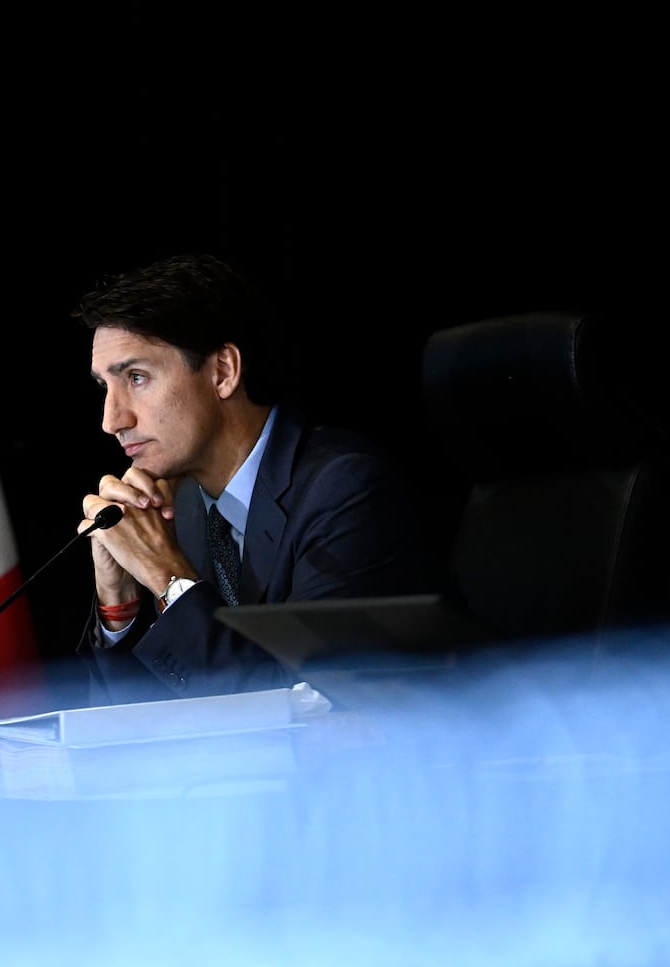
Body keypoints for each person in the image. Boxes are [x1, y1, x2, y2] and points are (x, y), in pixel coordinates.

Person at [73, 253, 443, 703]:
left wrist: (167, 576)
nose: (111, 420)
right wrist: (119, 606)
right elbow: (126, 734)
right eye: (103, 387)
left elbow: (304, 706)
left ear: (223, 372)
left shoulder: (345, 490)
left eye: (136, 377)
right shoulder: (173, 508)